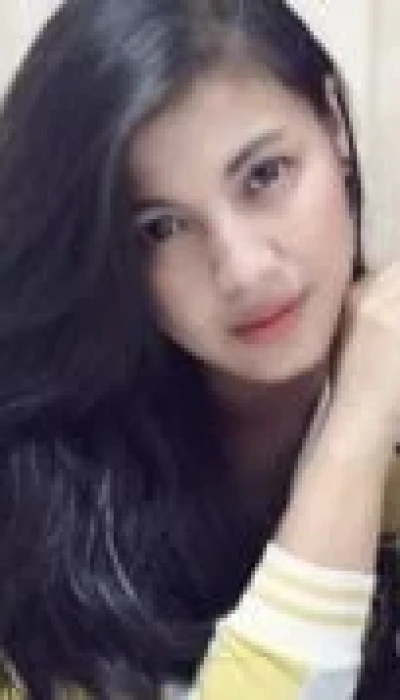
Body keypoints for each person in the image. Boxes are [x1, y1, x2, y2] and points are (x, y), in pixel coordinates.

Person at [0, 0, 399, 697]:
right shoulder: (39, 506)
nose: (242, 270)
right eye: (160, 228)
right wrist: (352, 435)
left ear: (335, 124)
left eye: (265, 175)